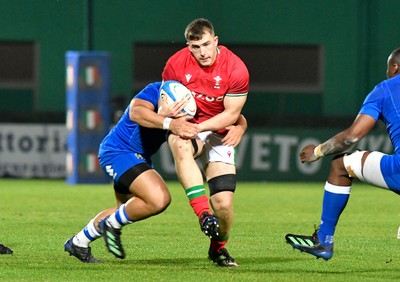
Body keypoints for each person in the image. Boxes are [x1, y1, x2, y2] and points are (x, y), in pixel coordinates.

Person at [64, 81, 246, 262]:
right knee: (159, 199)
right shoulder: (155, 90)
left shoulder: (193, 98)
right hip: (119, 152)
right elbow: (136, 112)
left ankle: (78, 243)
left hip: (138, 158)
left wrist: (240, 127)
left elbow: (233, 114)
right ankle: (110, 224)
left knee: (125, 209)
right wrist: (166, 120)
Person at [285, 47, 400, 261]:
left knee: (341, 165)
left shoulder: (384, 89)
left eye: (388, 68)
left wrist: (317, 151)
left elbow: (351, 138)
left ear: (394, 68)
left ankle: (324, 240)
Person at [162, 18, 249, 267]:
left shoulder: (236, 68)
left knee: (223, 204)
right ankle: (202, 214)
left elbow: (232, 114)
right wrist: (170, 113)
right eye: (195, 46)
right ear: (188, 46)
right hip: (190, 124)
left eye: (206, 44)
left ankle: (218, 248)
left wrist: (238, 126)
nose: (202, 52)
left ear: (216, 41)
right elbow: (165, 101)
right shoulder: (175, 64)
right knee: (179, 142)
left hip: (219, 131)